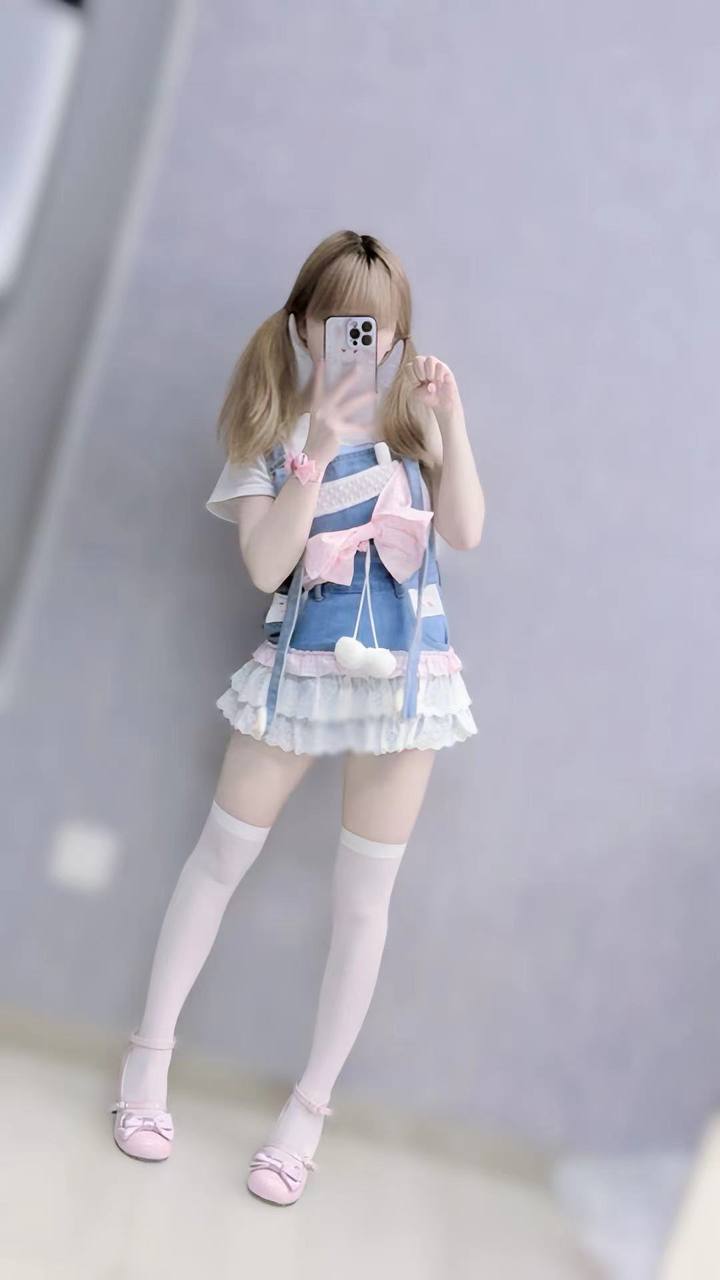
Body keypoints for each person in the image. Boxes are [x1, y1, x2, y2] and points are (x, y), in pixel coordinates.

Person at [109, 229, 485, 1205]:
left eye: (380, 330)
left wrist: (454, 423)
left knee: (363, 904)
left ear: (398, 337)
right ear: (305, 324)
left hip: (405, 688)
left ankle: (306, 1114)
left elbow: (465, 530)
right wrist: (315, 451)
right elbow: (266, 565)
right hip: (298, 679)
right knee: (217, 861)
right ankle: (146, 1064)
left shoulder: (415, 423)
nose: (363, 344)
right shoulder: (266, 432)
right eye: (344, 324)